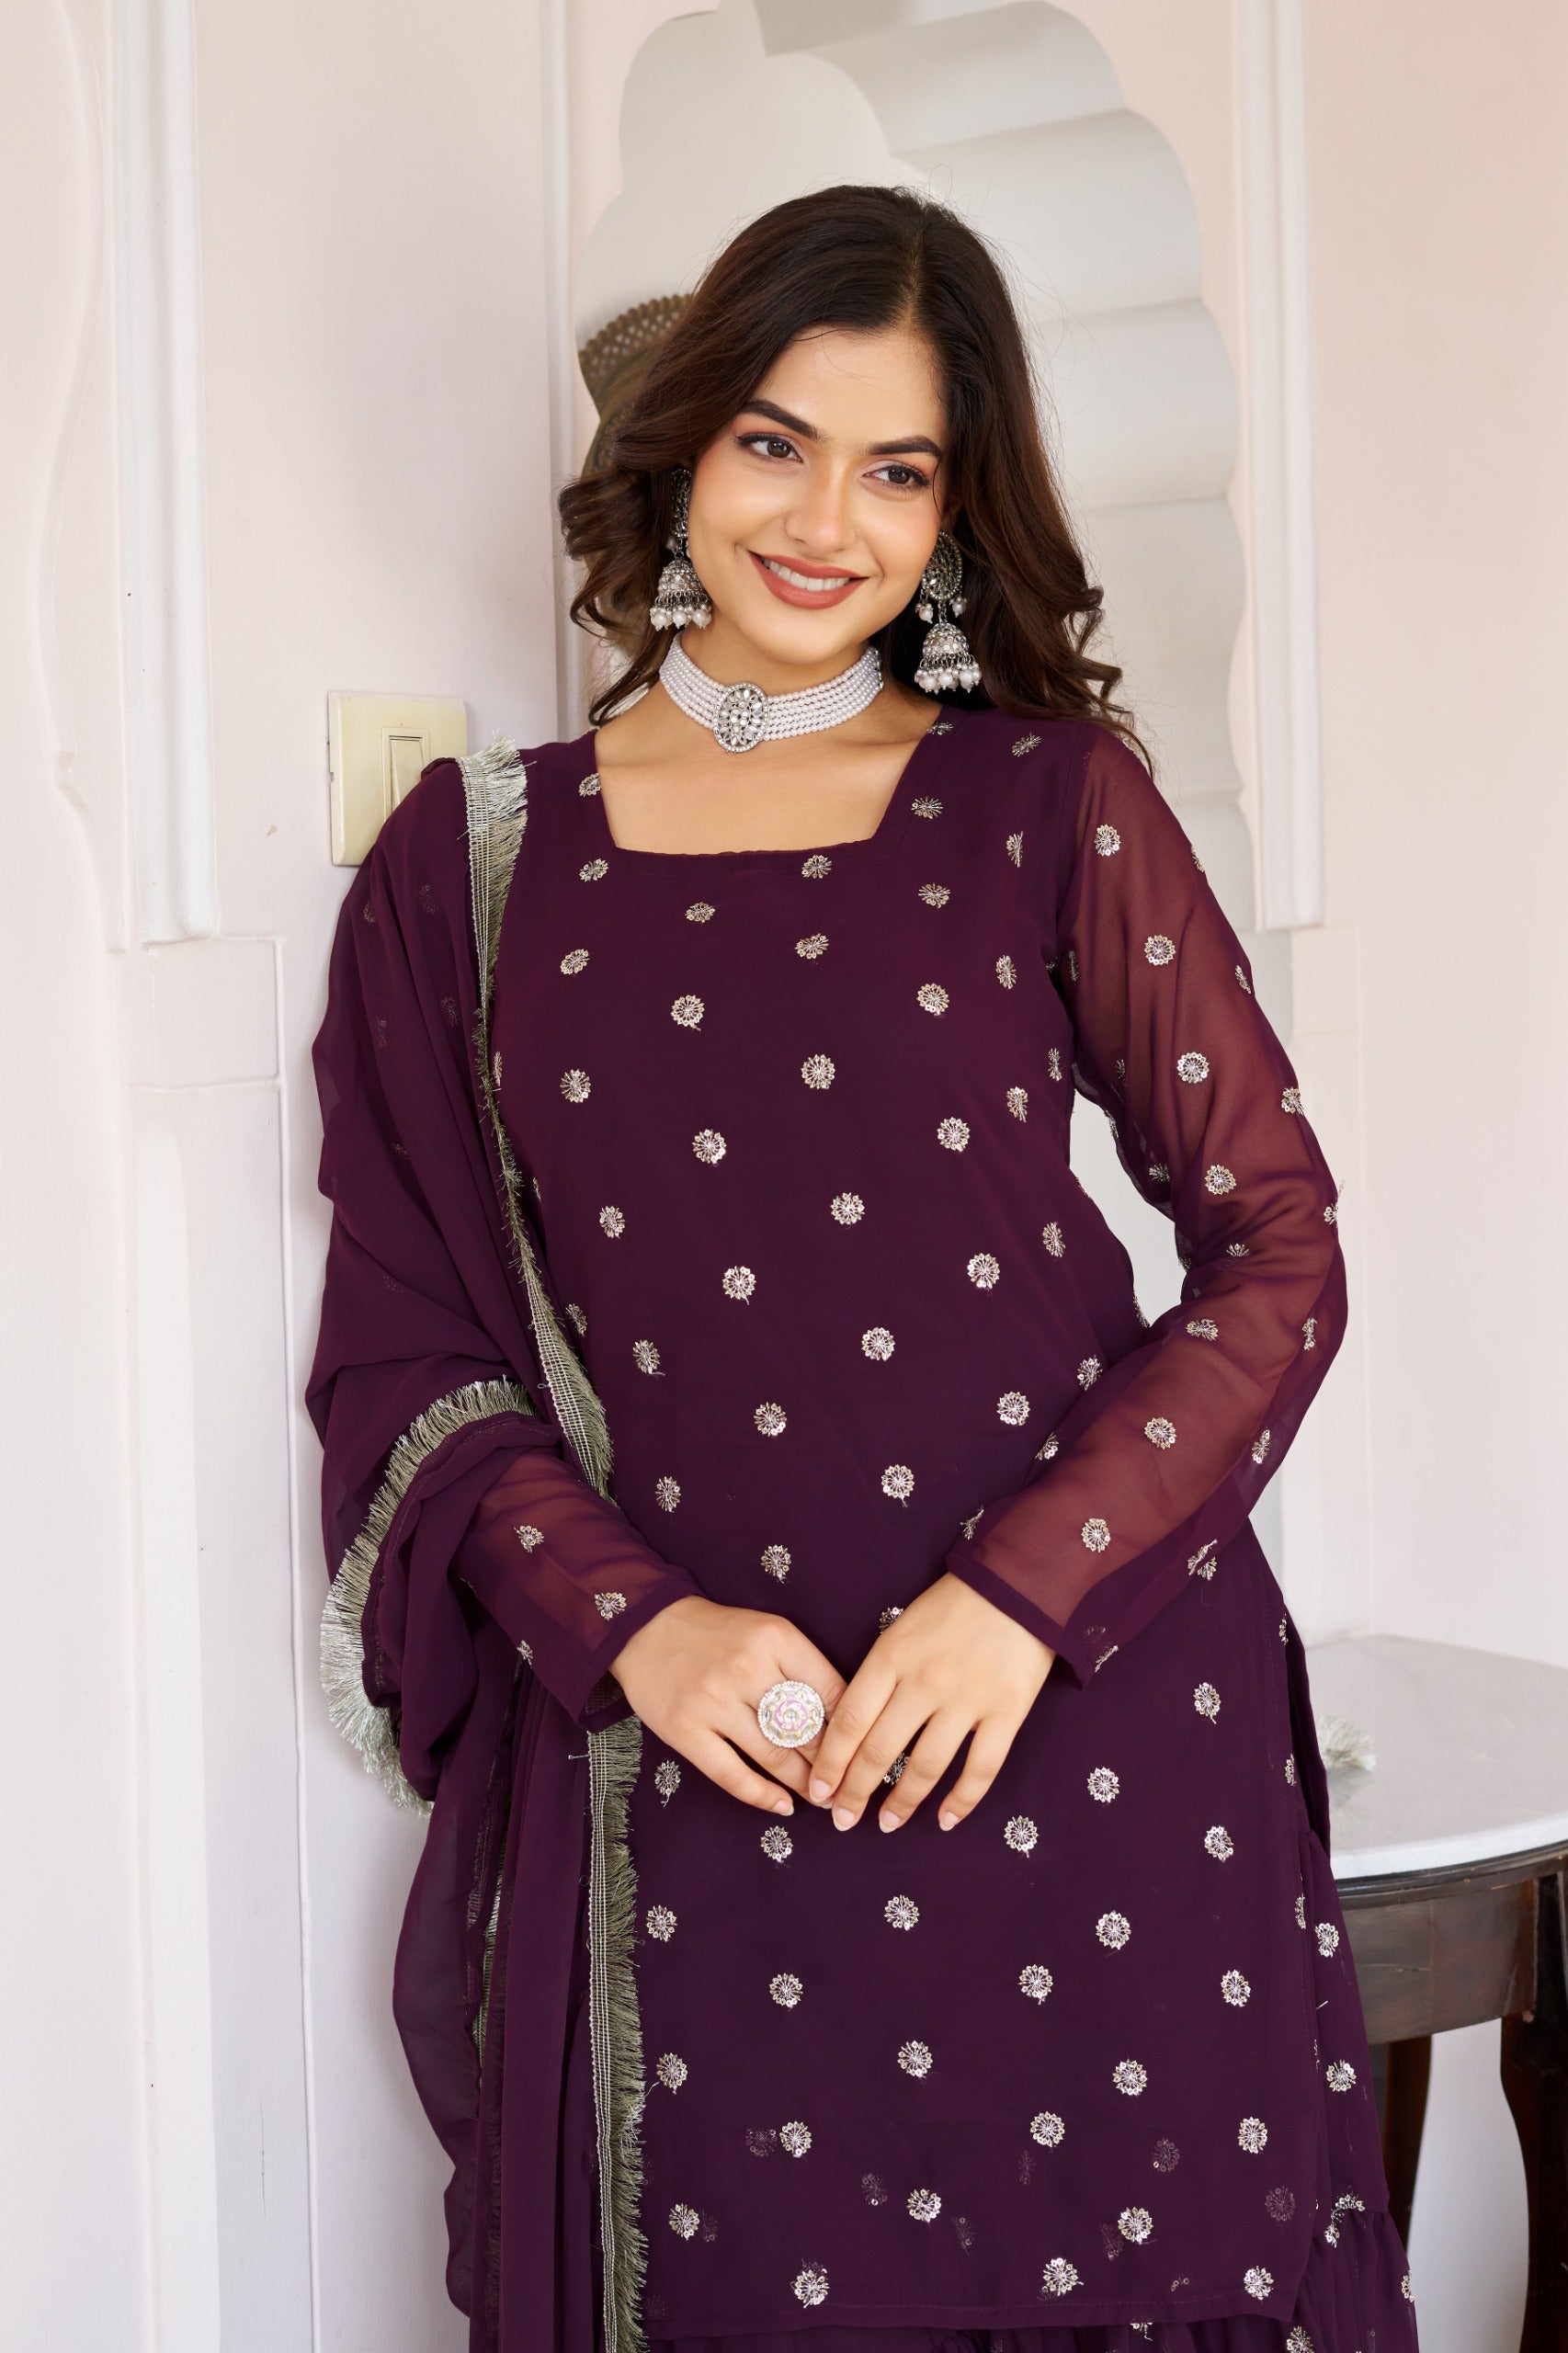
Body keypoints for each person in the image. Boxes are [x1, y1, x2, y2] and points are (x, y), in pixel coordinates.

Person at [306, 183, 1418, 2353]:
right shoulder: (473, 867)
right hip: (710, 1769)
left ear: (959, 504)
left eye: (900, 468)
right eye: (775, 442)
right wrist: (630, 1631)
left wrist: (1023, 1597)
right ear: (683, 446)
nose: (828, 520)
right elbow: (416, 1352)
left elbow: (1275, 1241)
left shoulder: (1042, 802)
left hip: (1082, 1743)